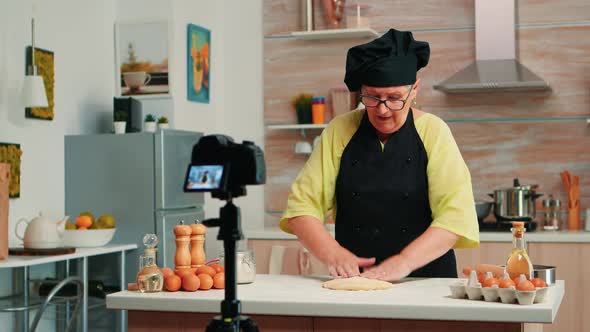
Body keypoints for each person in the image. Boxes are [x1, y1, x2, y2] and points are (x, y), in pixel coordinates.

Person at [279, 29, 479, 280]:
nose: (382, 110)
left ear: (414, 89)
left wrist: (404, 262)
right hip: (356, 281)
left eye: (394, 98)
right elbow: (301, 208)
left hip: (427, 281)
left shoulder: (434, 131)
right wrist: (332, 253)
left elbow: (455, 217)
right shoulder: (339, 130)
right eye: (372, 97)